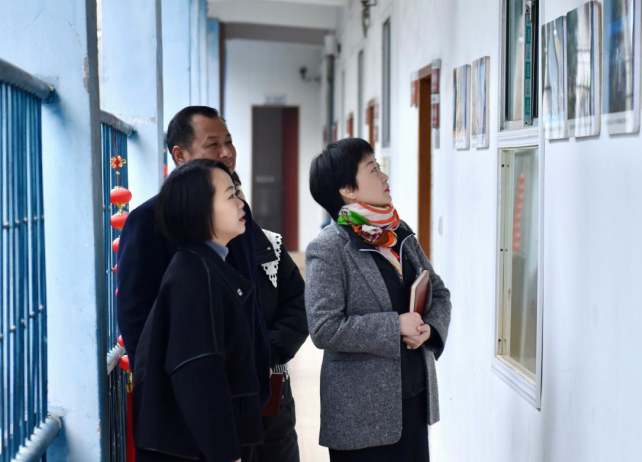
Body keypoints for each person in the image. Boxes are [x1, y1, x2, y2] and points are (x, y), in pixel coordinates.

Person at [117, 106, 307, 461]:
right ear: (180, 155)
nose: (226, 152)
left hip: (248, 401)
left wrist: (260, 359)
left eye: (229, 142)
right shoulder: (149, 225)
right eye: (213, 144)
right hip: (189, 414)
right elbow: (138, 321)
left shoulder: (236, 219)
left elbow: (252, 303)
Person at [305, 138, 452, 461]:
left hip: (413, 399)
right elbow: (324, 327)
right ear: (348, 189)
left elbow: (439, 292)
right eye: (373, 169)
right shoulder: (328, 248)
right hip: (360, 417)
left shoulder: (398, 231)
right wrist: (395, 326)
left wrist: (429, 328)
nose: (384, 177)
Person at [133, 159, 270, 461]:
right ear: (200, 208)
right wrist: (227, 455)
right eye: (231, 195)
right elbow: (199, 373)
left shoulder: (204, 265)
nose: (241, 204)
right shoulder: (195, 276)